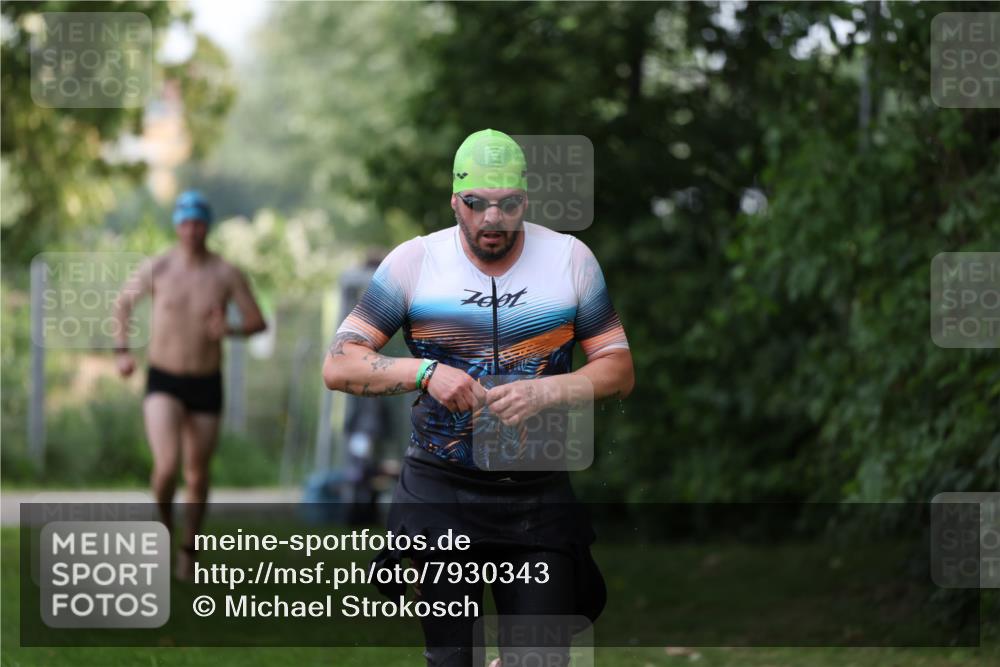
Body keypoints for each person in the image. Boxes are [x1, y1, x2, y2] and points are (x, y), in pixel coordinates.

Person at [323, 129, 633, 667]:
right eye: (476, 205)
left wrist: (549, 389)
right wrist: (424, 372)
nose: (492, 219)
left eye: (507, 205)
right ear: (455, 202)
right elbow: (339, 363)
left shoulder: (570, 260)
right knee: (452, 661)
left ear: (525, 201)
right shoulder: (413, 264)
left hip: (536, 495)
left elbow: (619, 368)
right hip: (443, 495)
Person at [114, 190, 267, 579]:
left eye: (199, 223)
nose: (192, 231)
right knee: (166, 468)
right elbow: (123, 304)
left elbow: (257, 321)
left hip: (205, 382)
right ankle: (165, 528)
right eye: (185, 223)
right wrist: (122, 351)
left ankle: (188, 550)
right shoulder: (158, 267)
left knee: (197, 473)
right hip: (163, 378)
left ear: (207, 227)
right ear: (177, 226)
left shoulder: (225, 272)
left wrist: (228, 329)